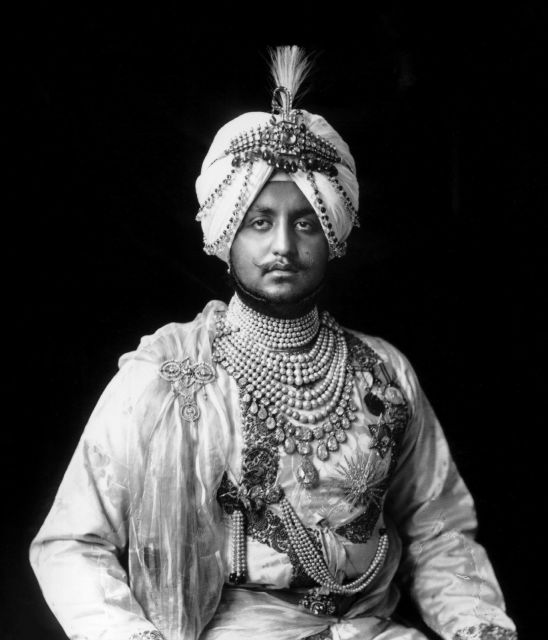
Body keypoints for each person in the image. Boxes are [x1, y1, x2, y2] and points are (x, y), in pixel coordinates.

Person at [30, 46, 517, 640]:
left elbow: (438, 532)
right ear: (227, 233)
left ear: (333, 232)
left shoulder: (384, 372)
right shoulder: (165, 376)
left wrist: (479, 628)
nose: (283, 245)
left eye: (305, 222)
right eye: (260, 222)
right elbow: (72, 545)